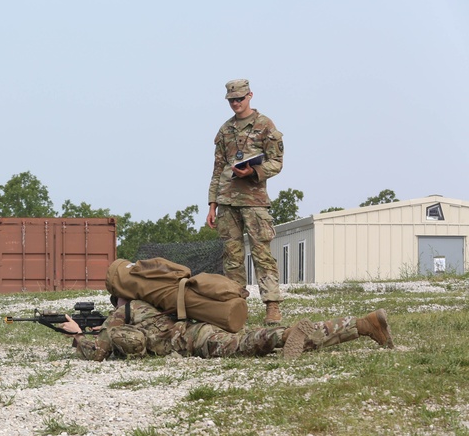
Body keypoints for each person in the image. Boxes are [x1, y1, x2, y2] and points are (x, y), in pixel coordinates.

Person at [60, 297, 394, 362]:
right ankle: (362, 325)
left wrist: (76, 336)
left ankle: (286, 334)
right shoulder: (147, 302)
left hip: (196, 343)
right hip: (198, 328)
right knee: (248, 339)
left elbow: (100, 349)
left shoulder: (122, 314)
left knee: (255, 343)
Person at [206, 78, 285, 325]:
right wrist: (212, 204)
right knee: (232, 257)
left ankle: (272, 306)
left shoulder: (265, 125)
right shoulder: (225, 130)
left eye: (240, 99)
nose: (236, 104)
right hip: (227, 202)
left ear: (250, 95)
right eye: (232, 100)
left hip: (254, 201)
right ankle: (236, 307)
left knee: (262, 255)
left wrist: (253, 172)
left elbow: (276, 162)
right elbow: (218, 168)